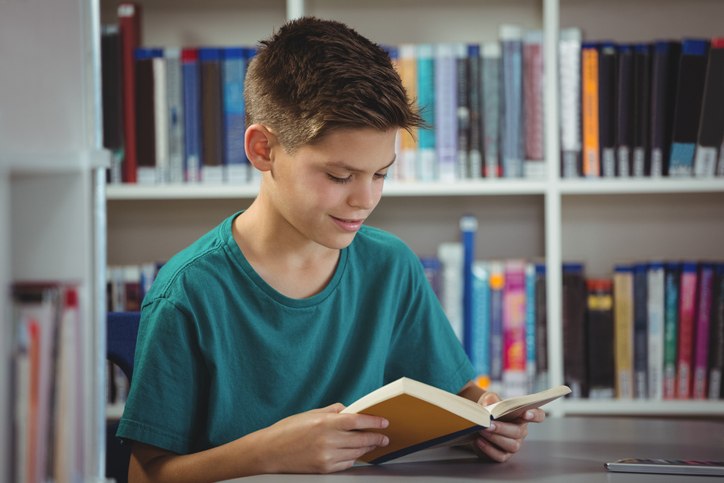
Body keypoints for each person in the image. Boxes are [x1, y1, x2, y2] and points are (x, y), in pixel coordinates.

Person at [117, 16, 545, 482]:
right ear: (263, 150)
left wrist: (484, 417)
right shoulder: (188, 292)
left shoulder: (390, 265)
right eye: (339, 176)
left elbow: (455, 392)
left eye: (381, 173)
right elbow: (146, 475)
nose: (366, 200)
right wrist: (268, 453)